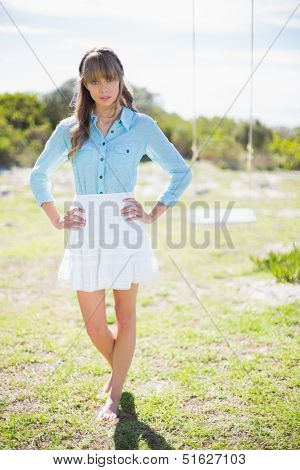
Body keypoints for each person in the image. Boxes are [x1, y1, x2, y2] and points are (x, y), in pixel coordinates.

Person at [29, 46, 192, 422]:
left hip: (125, 225)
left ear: (121, 78)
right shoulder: (69, 130)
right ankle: (119, 367)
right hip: (85, 226)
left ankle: (114, 396)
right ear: (85, 86)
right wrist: (55, 217)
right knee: (94, 323)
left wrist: (153, 212)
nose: (104, 88)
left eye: (110, 79)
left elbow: (180, 172)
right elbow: (38, 174)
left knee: (126, 314)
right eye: (94, 81)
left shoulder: (142, 125)